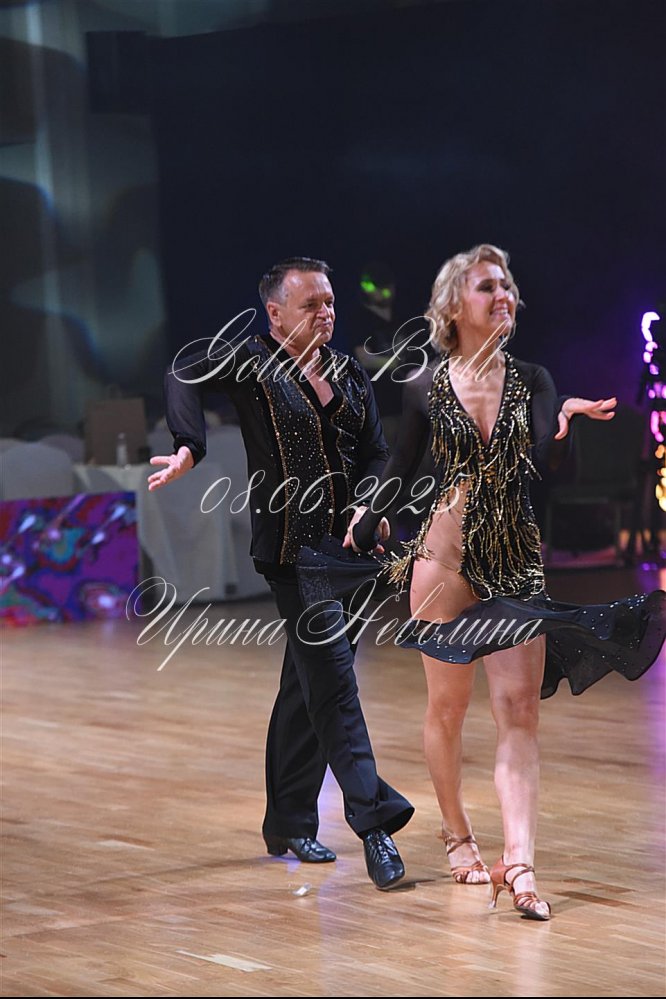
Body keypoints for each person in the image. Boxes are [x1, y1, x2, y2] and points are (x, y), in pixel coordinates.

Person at [337, 244, 664, 920]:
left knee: (519, 712)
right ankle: (458, 836)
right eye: (488, 285)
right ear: (454, 304)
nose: (504, 294)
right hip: (443, 562)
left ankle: (520, 865)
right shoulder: (423, 383)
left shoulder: (535, 380)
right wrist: (368, 513)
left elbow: (547, 467)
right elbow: (401, 465)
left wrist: (564, 429)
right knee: (448, 709)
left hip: (515, 563)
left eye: (508, 284)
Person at [147, 256, 413, 890]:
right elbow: (183, 368)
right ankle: (374, 823)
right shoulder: (251, 362)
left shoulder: (347, 371)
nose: (326, 313)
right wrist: (190, 444)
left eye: (330, 302)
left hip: (352, 555)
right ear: (274, 312)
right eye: (310, 304)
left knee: (308, 685)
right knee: (335, 684)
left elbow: (377, 452)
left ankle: (290, 821)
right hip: (294, 553)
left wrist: (369, 504)